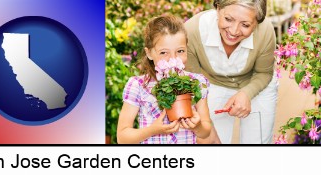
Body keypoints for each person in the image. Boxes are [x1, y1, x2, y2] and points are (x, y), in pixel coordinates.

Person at [185, 0, 278, 144]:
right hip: (210, 85)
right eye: (228, 19)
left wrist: (246, 93)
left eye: (245, 25)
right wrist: (205, 122)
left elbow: (263, 73)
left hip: (257, 83)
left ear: (256, 23)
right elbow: (193, 81)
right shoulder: (192, 31)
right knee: (213, 140)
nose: (234, 31)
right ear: (218, 9)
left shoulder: (265, 31)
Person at [117, 15, 219, 144]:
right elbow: (122, 138)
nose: (173, 59)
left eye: (180, 51)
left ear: (187, 49)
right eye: (164, 52)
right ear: (149, 53)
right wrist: (153, 130)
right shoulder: (138, 85)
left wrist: (197, 126)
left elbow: (206, 131)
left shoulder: (197, 82)